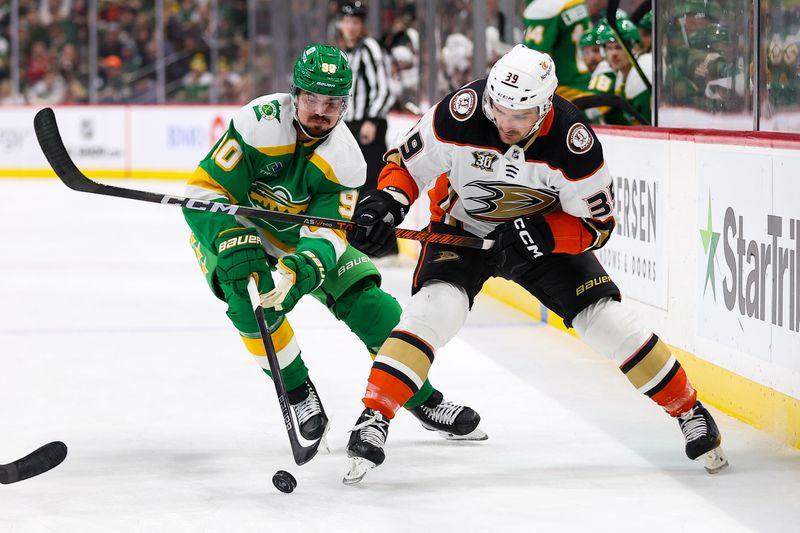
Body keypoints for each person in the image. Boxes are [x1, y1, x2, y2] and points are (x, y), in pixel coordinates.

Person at [344, 44, 728, 483]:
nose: (506, 123)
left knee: (605, 321)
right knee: (434, 310)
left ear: (544, 107)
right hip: (463, 230)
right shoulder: (460, 112)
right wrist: (387, 203)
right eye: (500, 109)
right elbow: (405, 166)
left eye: (520, 115)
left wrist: (542, 234)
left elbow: (598, 225)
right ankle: (373, 417)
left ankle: (688, 410)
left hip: (540, 240)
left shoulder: (572, 141)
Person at [182, 43, 485, 447]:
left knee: (370, 303)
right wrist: (230, 237)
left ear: (346, 105)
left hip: (298, 241)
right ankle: (297, 391)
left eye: (333, 102)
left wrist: (299, 269)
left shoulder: (346, 159)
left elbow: (327, 234)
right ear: (295, 94)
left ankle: (423, 399)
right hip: (239, 230)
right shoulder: (258, 122)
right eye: (312, 99)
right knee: (245, 294)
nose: (321, 111)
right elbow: (204, 191)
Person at [338, 1, 397, 256]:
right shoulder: (346, 52)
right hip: (351, 124)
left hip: (368, 124)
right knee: (353, 181)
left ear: (362, 25)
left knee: (374, 184)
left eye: (355, 22)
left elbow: (385, 88)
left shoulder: (370, 48)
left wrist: (372, 119)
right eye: (347, 22)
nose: (350, 27)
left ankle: (386, 245)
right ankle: (363, 240)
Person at [523, 0, 593, 100]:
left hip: (564, 90)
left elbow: (535, 60)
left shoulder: (544, 8)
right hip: (586, 81)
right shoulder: (573, 2)